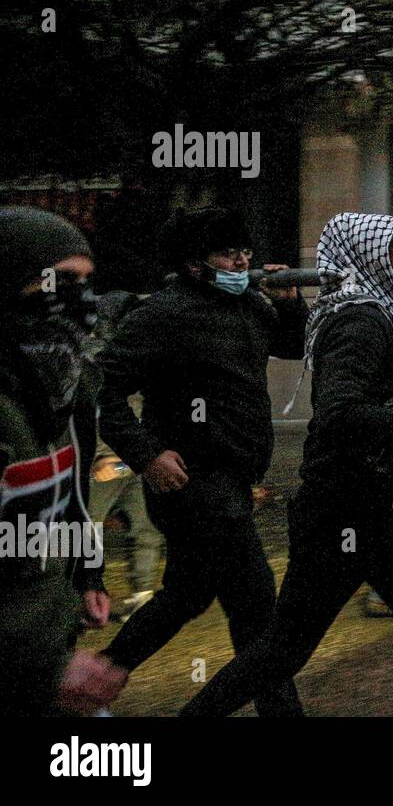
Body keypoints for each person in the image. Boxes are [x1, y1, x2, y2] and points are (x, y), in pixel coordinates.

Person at [181, 213, 393, 717]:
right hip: (344, 510)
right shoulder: (361, 322)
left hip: (369, 506)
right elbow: (338, 415)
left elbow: (376, 386)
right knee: (287, 648)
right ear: (376, 263)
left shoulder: (388, 316)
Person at [95, 207, 305, 716]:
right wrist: (147, 456)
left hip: (233, 482)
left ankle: (94, 677)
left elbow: (295, 347)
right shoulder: (162, 315)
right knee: (258, 612)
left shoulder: (252, 307)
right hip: (194, 486)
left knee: (187, 595)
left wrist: (291, 303)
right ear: (194, 264)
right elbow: (103, 392)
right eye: (229, 253)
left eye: (246, 252)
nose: (242, 261)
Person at [0, 206, 127, 715]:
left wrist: (88, 573)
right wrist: (38, 667)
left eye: (86, 282)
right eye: (58, 280)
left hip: (48, 657)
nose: (79, 299)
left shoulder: (67, 387)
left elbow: (67, 500)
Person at [83, 291, 162, 621]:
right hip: (124, 459)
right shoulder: (118, 354)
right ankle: (91, 599)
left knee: (99, 528)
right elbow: (105, 407)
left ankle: (126, 597)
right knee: (95, 530)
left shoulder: (109, 353)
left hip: (123, 459)